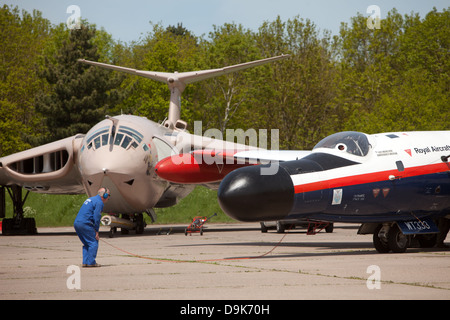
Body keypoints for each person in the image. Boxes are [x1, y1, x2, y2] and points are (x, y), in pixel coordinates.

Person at [74, 187, 110, 267]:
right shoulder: (99, 202)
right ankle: (91, 262)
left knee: (87, 243)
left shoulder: (91, 199)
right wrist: (96, 231)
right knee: (93, 242)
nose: (109, 197)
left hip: (77, 223)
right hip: (85, 223)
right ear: (104, 195)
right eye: (108, 195)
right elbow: (97, 217)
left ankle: (85, 262)